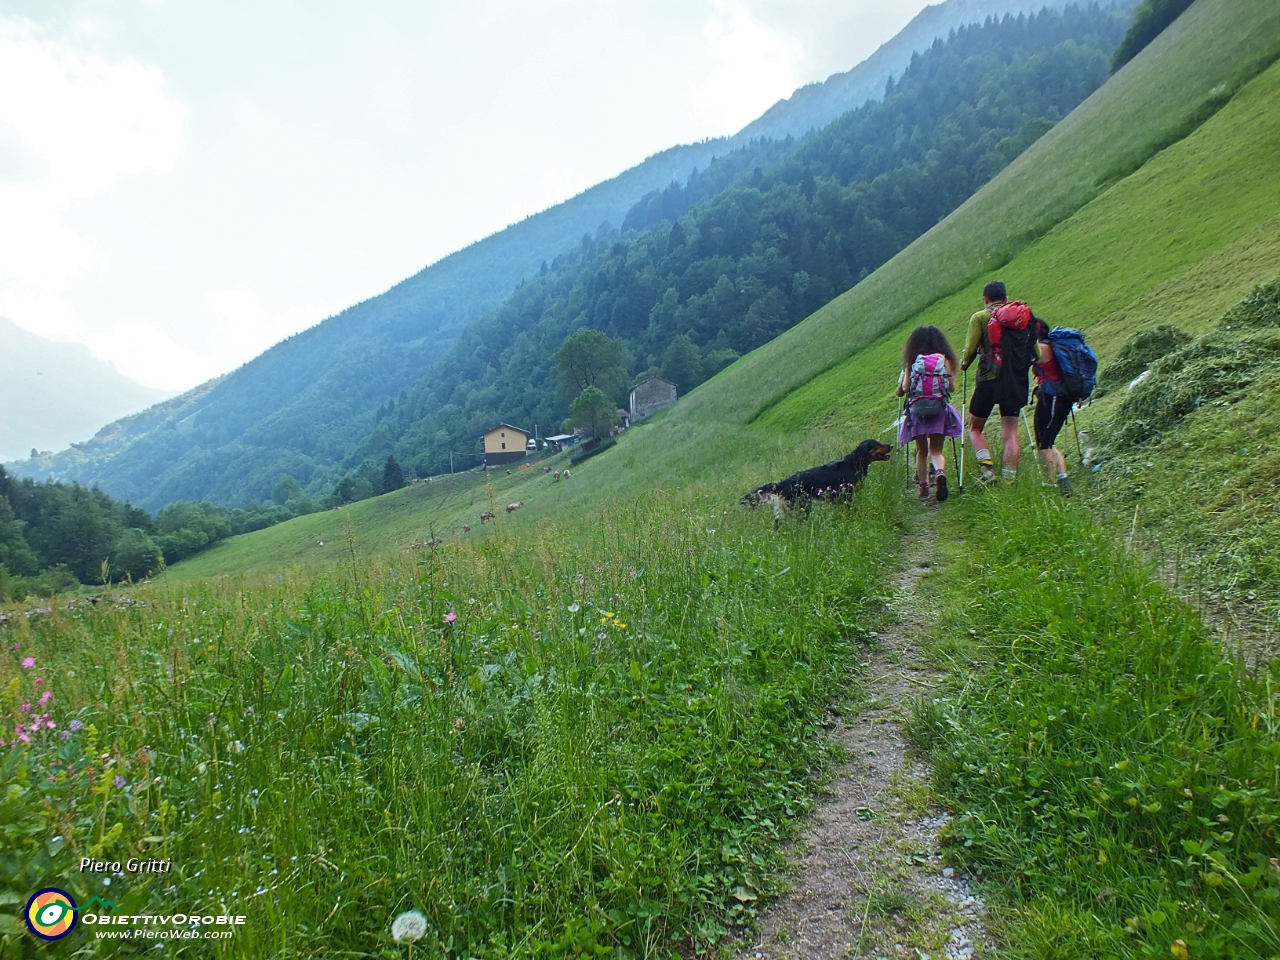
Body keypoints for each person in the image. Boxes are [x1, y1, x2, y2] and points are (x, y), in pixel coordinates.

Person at [959, 280, 1032, 483]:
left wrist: (963, 363)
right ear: (1006, 299)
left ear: (986, 299)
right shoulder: (1021, 318)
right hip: (1014, 380)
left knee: (974, 427)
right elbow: (1035, 352)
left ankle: (988, 470)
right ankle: (1009, 480)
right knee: (1010, 433)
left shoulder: (980, 317)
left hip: (988, 379)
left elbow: (971, 350)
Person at [897, 325, 963, 502]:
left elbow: (904, 389)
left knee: (921, 452)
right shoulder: (945, 360)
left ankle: (924, 487)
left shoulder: (912, 361)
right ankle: (940, 472)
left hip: (917, 412)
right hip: (939, 410)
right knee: (936, 450)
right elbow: (952, 387)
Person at [1032, 332, 1073, 497]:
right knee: (1048, 441)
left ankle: (1050, 484)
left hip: (1050, 397)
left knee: (1043, 443)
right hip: (1060, 396)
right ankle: (1063, 481)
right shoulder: (1052, 347)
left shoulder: (1041, 349)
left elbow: (1021, 361)